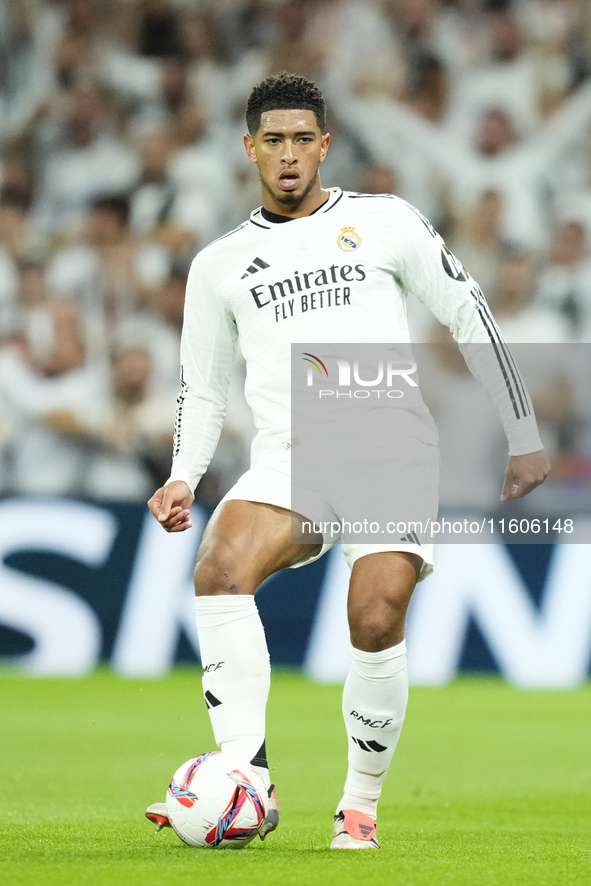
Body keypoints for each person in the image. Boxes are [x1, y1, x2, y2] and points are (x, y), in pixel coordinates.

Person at [145, 72, 550, 850]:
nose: (288, 155)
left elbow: (468, 311)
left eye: (302, 139)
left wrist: (521, 430)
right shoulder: (219, 265)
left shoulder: (385, 221)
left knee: (372, 617)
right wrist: (183, 476)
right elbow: (202, 388)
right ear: (249, 149)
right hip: (290, 457)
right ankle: (244, 778)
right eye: (273, 141)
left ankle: (358, 802)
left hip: (386, 450)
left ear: (325, 146)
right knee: (219, 568)